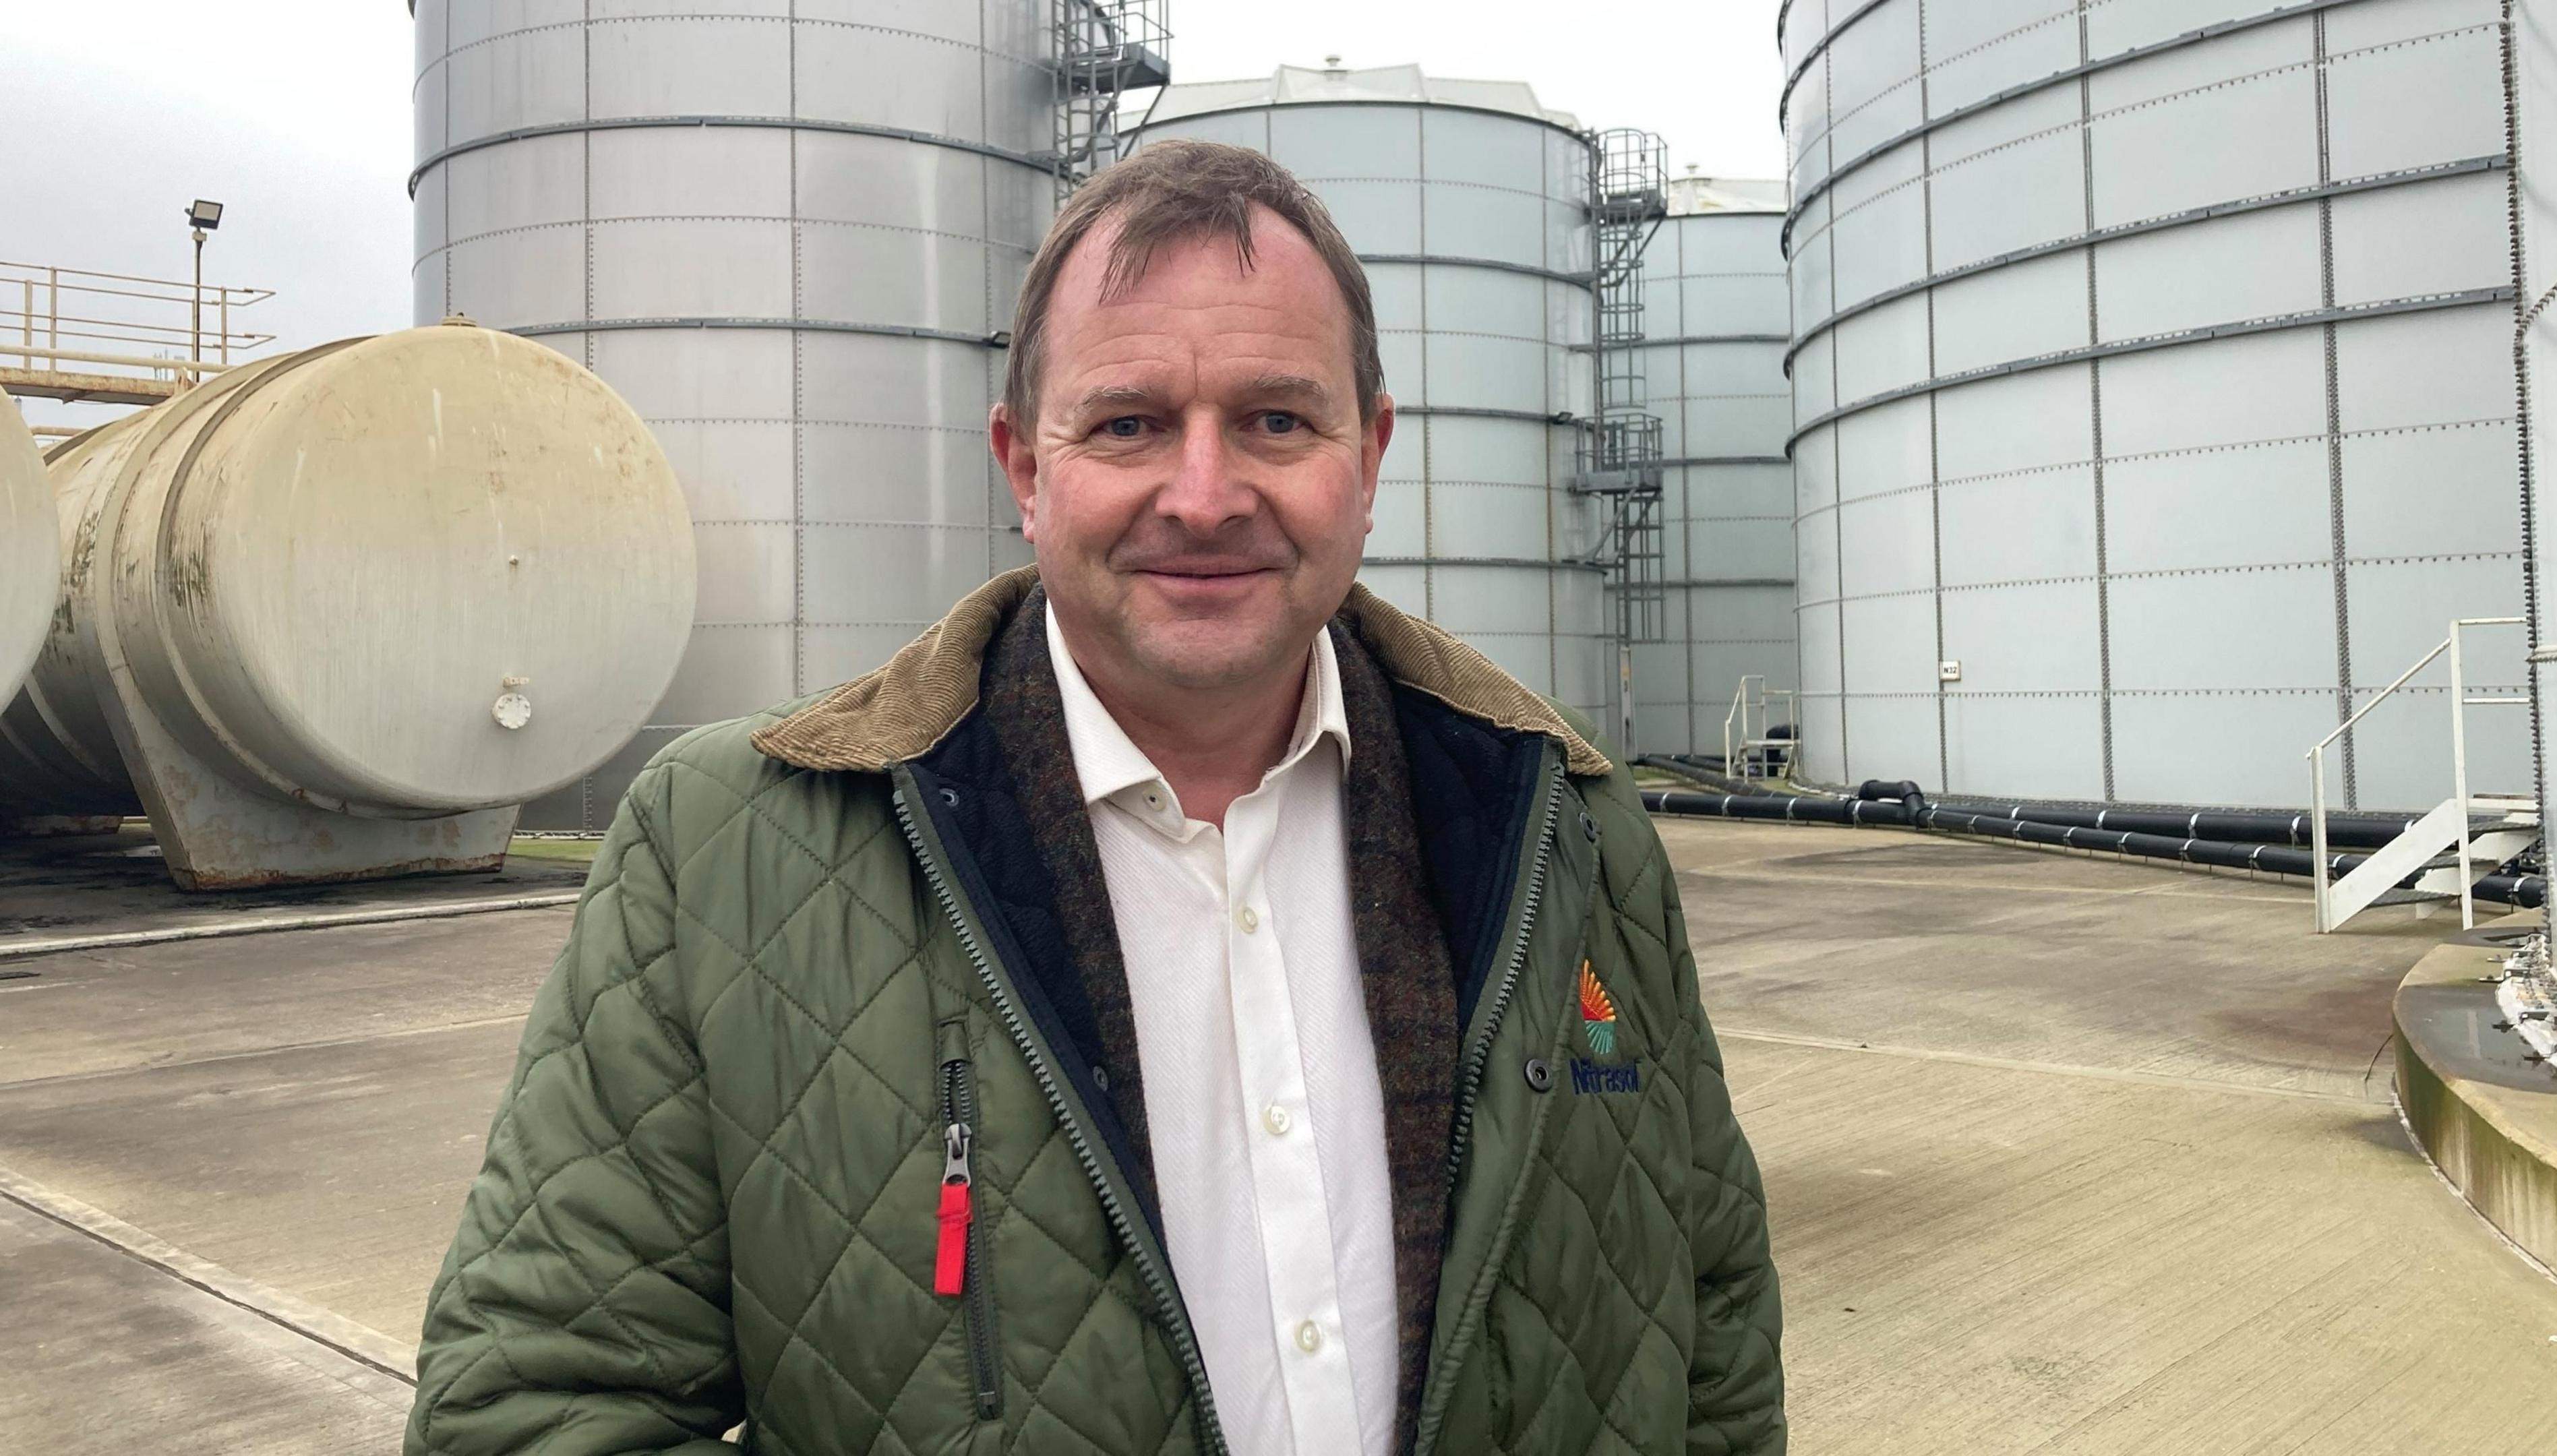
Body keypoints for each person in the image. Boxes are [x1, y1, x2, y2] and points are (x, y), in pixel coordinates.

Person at [406, 138, 1783, 1456]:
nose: (1203, 493)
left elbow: (1712, 1337)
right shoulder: (728, 854)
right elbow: (529, 1412)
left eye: (1274, 421)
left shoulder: (1565, 830)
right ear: (1025, 466)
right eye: (1130, 424)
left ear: (1367, 460)